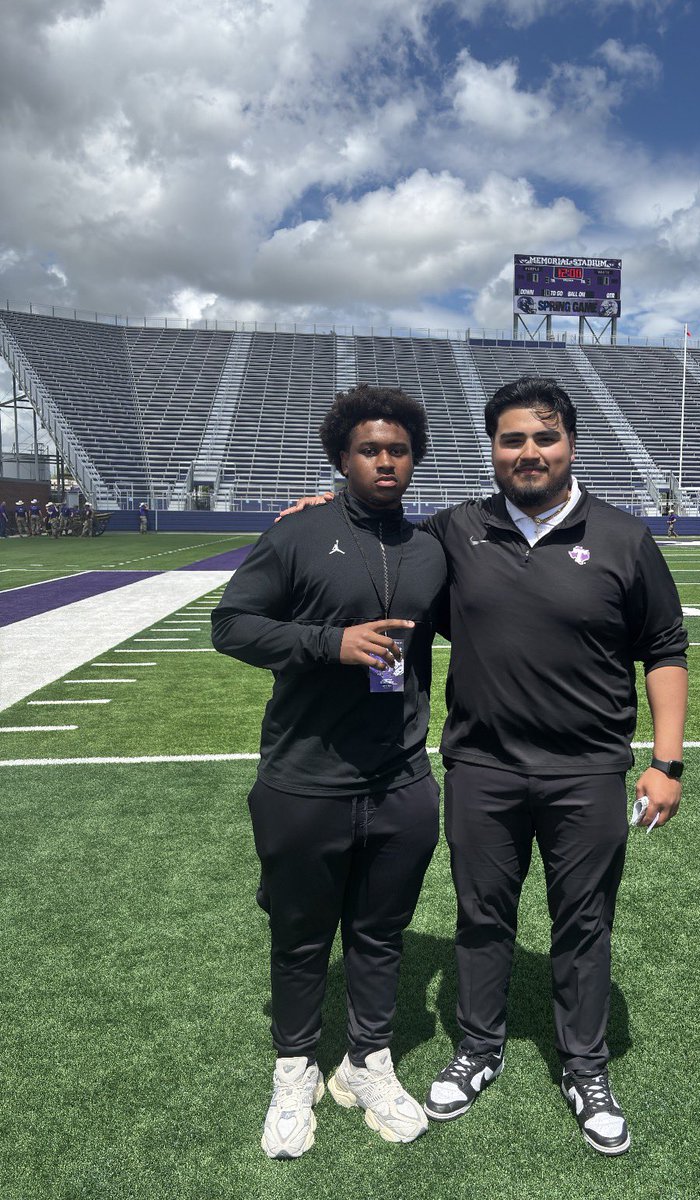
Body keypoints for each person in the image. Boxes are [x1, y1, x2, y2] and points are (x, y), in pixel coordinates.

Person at [285, 376, 687, 1156]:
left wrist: (665, 762)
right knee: (481, 918)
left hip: (586, 770)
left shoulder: (623, 538)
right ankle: (477, 1048)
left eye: (544, 437)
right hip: (481, 767)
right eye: (511, 439)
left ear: (571, 444)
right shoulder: (453, 532)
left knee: (584, 923)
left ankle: (584, 1066)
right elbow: (380, 546)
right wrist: (322, 512)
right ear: (492, 450)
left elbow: (664, 648)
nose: (528, 452)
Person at [212, 384, 448, 1159]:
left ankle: (365, 1064)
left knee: (380, 935)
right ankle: (295, 1071)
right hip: (303, 778)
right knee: (300, 937)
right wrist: (328, 643)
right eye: (369, 450)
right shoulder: (298, 532)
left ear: (414, 460)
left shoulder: (432, 550)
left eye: (398, 450)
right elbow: (231, 625)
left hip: (401, 780)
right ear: (342, 459)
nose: (385, 461)